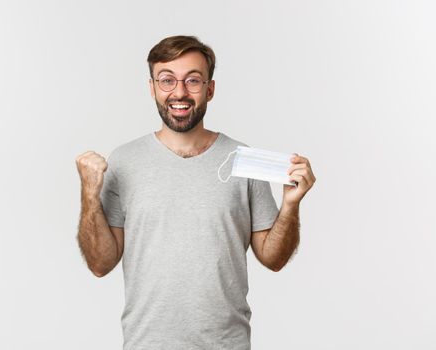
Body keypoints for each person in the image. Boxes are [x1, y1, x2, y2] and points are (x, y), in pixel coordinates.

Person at [75, 35, 316, 350]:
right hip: (147, 343)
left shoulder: (241, 160)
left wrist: (291, 205)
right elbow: (100, 263)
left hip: (226, 344)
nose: (179, 92)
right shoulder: (124, 161)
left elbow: (273, 258)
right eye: (167, 80)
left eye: (193, 81)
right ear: (152, 88)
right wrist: (89, 195)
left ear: (210, 89)